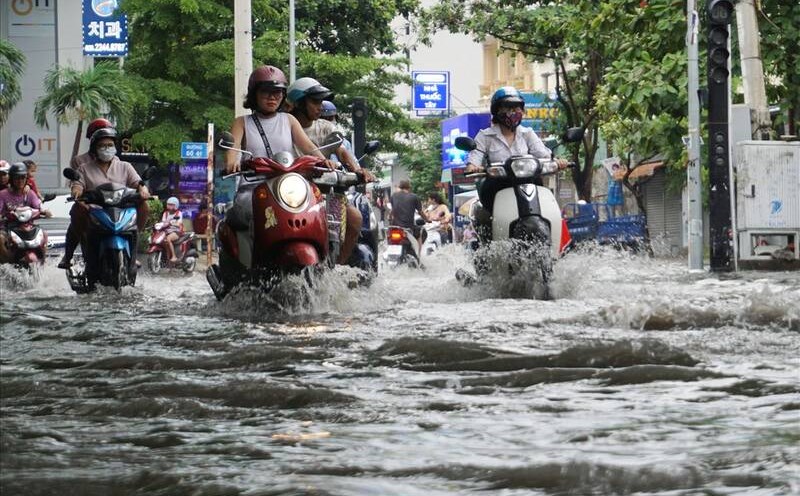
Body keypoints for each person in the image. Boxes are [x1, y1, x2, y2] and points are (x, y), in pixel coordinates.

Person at [286, 77, 376, 264]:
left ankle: (336, 266)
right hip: (292, 195)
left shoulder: (326, 127)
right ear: (299, 103)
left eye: (320, 102)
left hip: (326, 193)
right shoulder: (283, 126)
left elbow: (342, 152)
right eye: (314, 102)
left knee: (355, 218)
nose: (320, 107)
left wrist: (358, 170)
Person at [465, 86, 567, 238]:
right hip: (498, 185)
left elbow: (544, 154)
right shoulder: (485, 136)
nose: (514, 112)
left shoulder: (527, 134)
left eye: (517, 107)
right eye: (508, 107)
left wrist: (558, 162)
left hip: (527, 183)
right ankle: (489, 240)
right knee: (486, 212)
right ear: (497, 111)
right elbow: (474, 158)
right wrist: (473, 167)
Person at [58, 127, 151, 269]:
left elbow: (138, 183)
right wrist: (76, 192)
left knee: (144, 205)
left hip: (121, 208)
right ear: (95, 148)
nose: (106, 148)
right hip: (96, 209)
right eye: (102, 146)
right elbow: (78, 185)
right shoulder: (84, 168)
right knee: (77, 208)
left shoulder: (125, 166)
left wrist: (143, 190)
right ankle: (72, 252)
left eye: (110, 145)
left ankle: (133, 244)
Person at [225, 66, 334, 174]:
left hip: (285, 184)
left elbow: (308, 147)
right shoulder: (241, 122)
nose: (272, 97)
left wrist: (324, 161)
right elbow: (233, 149)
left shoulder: (289, 120)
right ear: (254, 94)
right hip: (251, 184)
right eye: (266, 91)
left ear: (283, 95)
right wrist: (231, 163)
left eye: (277, 92)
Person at [0, 163, 52, 263]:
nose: (20, 181)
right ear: (11, 179)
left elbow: (38, 208)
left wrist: (45, 212)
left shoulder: (30, 193)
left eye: (23, 177)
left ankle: (43, 263)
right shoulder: (3, 194)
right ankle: (7, 264)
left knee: (44, 234)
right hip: (8, 228)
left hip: (28, 227)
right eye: (17, 178)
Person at [389, 179, 427, 244]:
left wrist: (389, 218)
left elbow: (392, 210)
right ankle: (418, 253)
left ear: (400, 186)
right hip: (409, 227)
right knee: (420, 233)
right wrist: (427, 219)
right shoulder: (414, 197)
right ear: (409, 187)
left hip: (395, 227)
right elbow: (420, 212)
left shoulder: (393, 196)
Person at [156, 197, 184, 263]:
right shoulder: (165, 213)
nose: (169, 206)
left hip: (176, 231)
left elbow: (179, 223)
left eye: (171, 205)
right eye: (168, 204)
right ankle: (166, 257)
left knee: (168, 239)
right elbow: (163, 222)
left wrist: (172, 223)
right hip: (166, 231)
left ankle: (174, 256)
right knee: (161, 239)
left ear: (176, 205)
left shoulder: (179, 213)